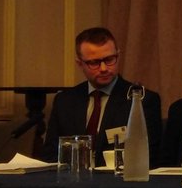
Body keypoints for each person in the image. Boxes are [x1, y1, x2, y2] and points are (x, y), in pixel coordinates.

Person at [42, 27, 163, 166]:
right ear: (80, 64)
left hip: (119, 178)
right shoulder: (65, 101)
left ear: (118, 56)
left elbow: (149, 157)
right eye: (94, 63)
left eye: (109, 59)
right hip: (71, 178)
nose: (104, 68)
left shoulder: (141, 100)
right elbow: (50, 156)